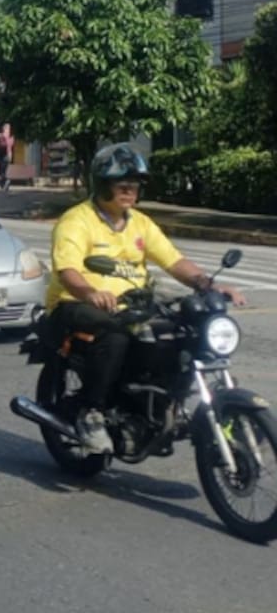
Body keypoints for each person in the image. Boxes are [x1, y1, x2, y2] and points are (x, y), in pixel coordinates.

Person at [45, 142, 245, 453]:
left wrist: (207, 285)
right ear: (102, 185)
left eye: (135, 187)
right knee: (115, 334)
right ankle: (92, 413)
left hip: (132, 304)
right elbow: (67, 270)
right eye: (122, 186)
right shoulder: (76, 220)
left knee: (180, 329)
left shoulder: (139, 222)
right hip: (75, 303)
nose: (130, 193)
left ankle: (157, 398)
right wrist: (90, 292)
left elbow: (173, 260)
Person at [0, 122, 15, 191]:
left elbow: (8, 146)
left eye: (6, 128)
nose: (5, 129)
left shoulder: (4, 136)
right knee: (1, 172)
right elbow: (9, 147)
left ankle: (5, 183)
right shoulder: (9, 137)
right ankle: (4, 183)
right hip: (4, 155)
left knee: (2, 171)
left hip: (4, 155)